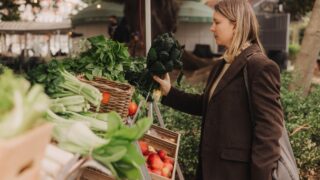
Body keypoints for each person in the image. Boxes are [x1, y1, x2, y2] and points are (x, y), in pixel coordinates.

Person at [153, 0, 283, 179]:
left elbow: (269, 130)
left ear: (235, 26)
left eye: (217, 22)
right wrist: (169, 92)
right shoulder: (222, 64)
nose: (211, 28)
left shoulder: (260, 67)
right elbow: (206, 104)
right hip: (211, 169)